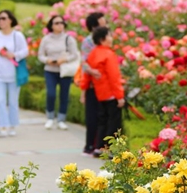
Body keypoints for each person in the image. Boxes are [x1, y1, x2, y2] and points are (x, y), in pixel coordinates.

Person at [80, 27, 124, 156]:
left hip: (100, 93)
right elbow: (114, 76)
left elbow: (87, 75)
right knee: (113, 121)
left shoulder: (93, 53)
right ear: (102, 39)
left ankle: (99, 147)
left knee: (102, 120)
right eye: (109, 36)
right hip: (110, 93)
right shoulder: (108, 54)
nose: (111, 38)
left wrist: (84, 89)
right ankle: (108, 149)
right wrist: (120, 96)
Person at [0, 10, 28, 138]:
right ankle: (2, 126)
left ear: (10, 20)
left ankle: (12, 125)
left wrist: (14, 55)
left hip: (13, 74)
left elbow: (25, 51)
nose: (1, 21)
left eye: (3, 18)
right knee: (0, 101)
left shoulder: (17, 35)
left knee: (13, 101)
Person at [37, 15, 79, 130]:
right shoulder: (46, 39)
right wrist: (48, 60)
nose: (59, 25)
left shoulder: (68, 39)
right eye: (56, 23)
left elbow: (74, 54)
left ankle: (61, 119)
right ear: (51, 25)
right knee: (51, 93)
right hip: (50, 70)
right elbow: (40, 55)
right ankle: (50, 117)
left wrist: (64, 60)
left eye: (61, 22)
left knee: (64, 95)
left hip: (64, 71)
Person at [79, 12, 107, 155]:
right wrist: (92, 71)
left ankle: (99, 146)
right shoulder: (88, 42)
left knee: (103, 116)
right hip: (92, 83)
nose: (106, 26)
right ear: (95, 27)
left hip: (104, 83)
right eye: (103, 23)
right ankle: (90, 145)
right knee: (92, 116)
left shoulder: (105, 40)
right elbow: (84, 63)